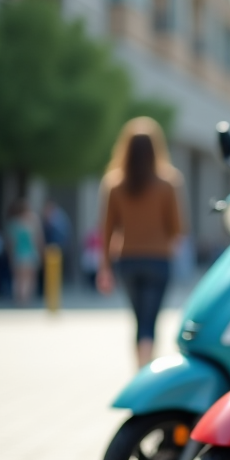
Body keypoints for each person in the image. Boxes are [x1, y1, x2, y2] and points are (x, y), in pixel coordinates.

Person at [98, 117, 185, 368]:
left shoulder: (114, 184)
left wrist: (104, 267)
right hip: (159, 260)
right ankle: (146, 367)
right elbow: (178, 228)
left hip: (127, 260)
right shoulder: (168, 183)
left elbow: (106, 229)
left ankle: (140, 367)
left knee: (138, 319)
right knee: (151, 319)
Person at [6, 199, 42, 306]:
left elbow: (10, 243)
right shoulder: (33, 222)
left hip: (18, 254)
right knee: (29, 279)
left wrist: (10, 256)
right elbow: (38, 240)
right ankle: (25, 299)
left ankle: (19, 298)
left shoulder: (13, 224)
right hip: (30, 254)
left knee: (18, 279)